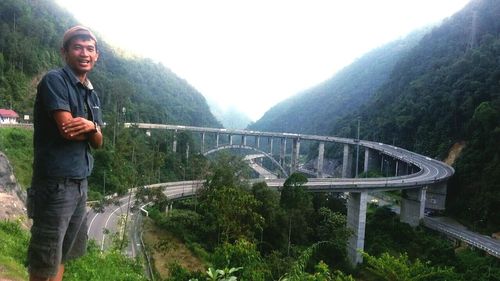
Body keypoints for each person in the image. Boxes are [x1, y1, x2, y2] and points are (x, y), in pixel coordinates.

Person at [27, 25, 103, 281]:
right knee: (45, 257)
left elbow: (99, 141)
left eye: (90, 48)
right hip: (55, 185)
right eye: (78, 47)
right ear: (65, 52)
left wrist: (91, 126)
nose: (84, 53)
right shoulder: (55, 80)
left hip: (80, 184)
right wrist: (90, 129)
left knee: (63, 255)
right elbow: (68, 130)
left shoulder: (91, 94)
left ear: (96, 55)